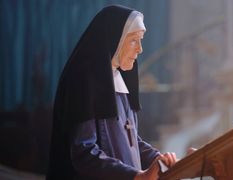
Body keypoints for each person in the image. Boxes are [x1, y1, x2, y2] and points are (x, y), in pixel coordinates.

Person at [46, 5, 177, 180]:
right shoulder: (84, 81)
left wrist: (159, 158)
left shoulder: (117, 78)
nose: (140, 49)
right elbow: (84, 153)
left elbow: (131, 141)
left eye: (141, 39)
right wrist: (136, 176)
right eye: (133, 40)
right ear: (114, 39)